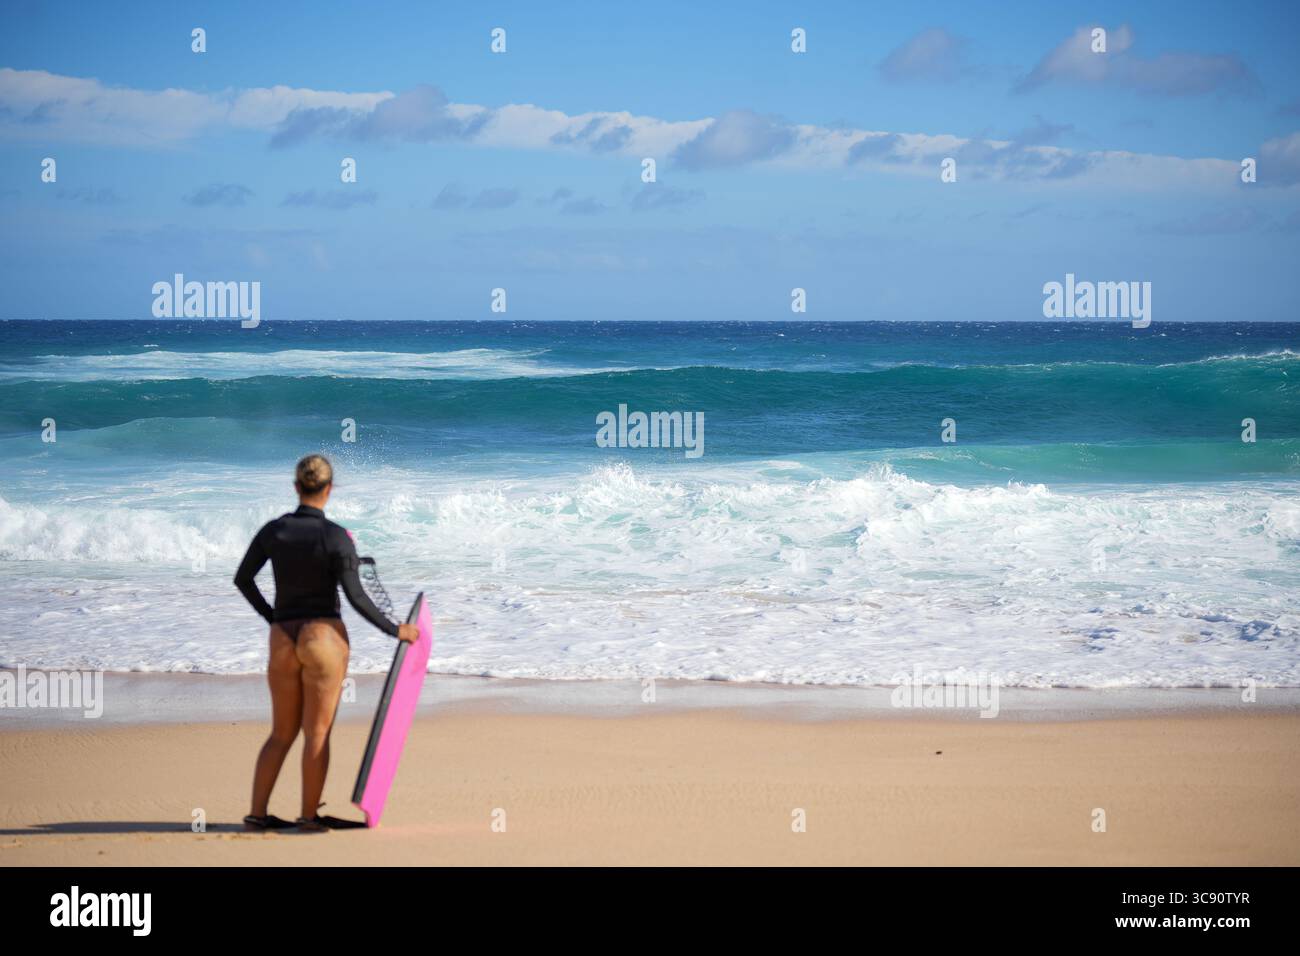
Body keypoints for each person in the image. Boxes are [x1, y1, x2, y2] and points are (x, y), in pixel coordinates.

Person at [233, 454, 418, 832]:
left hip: (282, 638)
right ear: (329, 489)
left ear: (297, 487)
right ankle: (308, 816)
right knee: (317, 732)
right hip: (323, 638)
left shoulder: (274, 530)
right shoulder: (336, 536)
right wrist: (394, 629)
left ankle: (257, 814)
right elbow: (356, 596)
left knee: (281, 732)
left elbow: (243, 579)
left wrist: (273, 618)